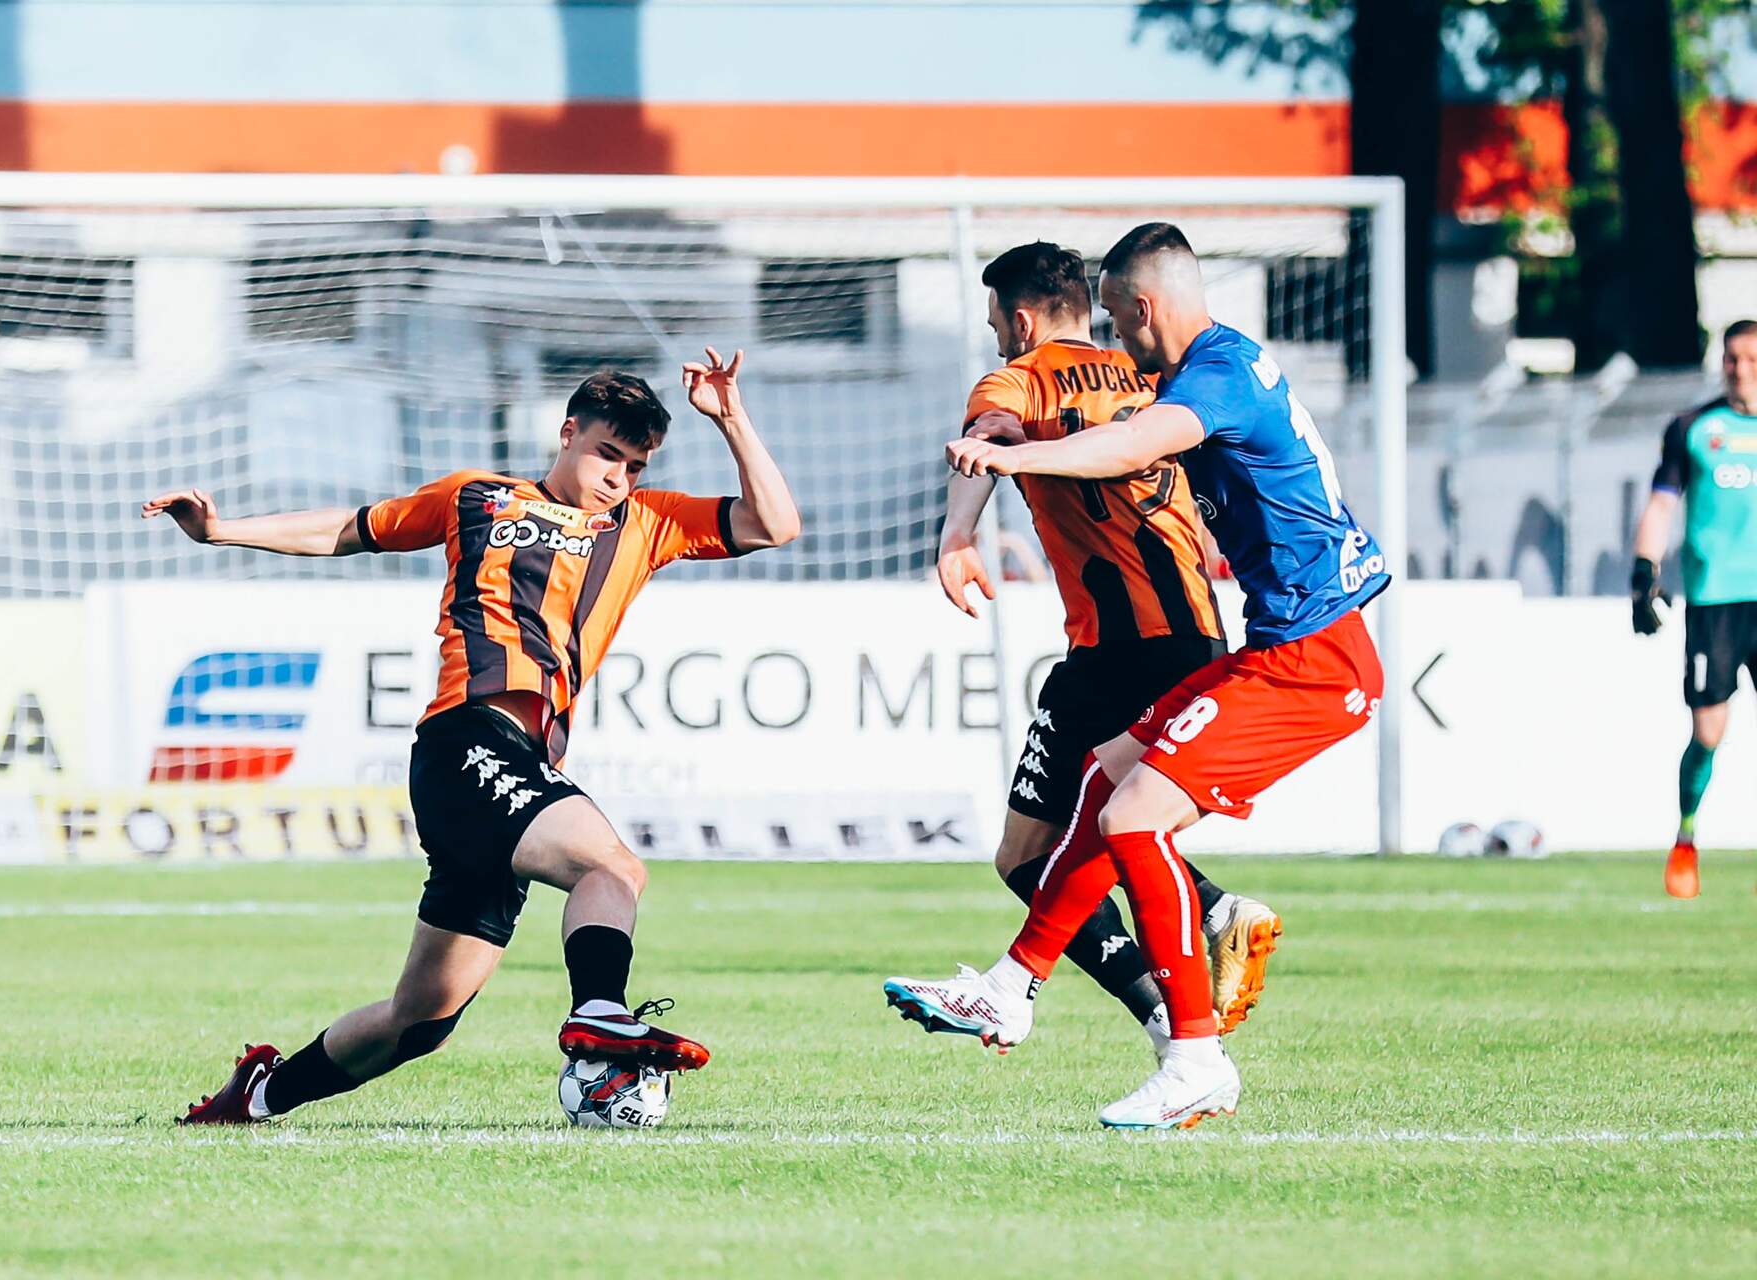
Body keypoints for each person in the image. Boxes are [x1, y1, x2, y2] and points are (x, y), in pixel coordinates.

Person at [147, 351, 800, 1124]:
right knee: (611, 867)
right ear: (567, 433)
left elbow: (774, 524)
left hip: (517, 766)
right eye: (607, 455)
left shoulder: (647, 522)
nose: (618, 478)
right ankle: (599, 1011)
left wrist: (731, 418)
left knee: (420, 1020)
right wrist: (222, 531)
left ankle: (256, 1097)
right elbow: (352, 528)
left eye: (634, 465)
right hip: (468, 740)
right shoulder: (476, 497)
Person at [885, 224, 1388, 1130]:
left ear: (1145, 306)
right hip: (1259, 641)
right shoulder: (1203, 369)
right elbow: (1112, 428)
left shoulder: (1213, 379)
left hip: (1313, 659)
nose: (1113, 339)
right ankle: (1013, 985)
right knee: (1105, 778)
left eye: (1118, 319)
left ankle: (1193, 1055)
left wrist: (1006, 458)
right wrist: (1008, 443)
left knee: (1130, 819)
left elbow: (1122, 445)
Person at [933, 241, 1281, 1057]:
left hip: (1117, 648)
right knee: (1103, 828)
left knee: (1028, 854)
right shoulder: (1156, 378)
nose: (997, 340)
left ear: (1022, 321)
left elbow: (986, 435)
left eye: (997, 325)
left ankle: (1169, 998)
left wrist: (957, 532)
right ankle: (1200, 952)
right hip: (1199, 633)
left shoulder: (1019, 378)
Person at [1629, 319, 1757, 898]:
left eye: (1751, 359)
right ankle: (1685, 837)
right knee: (1709, 730)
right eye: (1732, 358)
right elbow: (1661, 504)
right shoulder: (1694, 428)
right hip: (1715, 602)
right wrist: (1644, 573)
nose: (1740, 369)